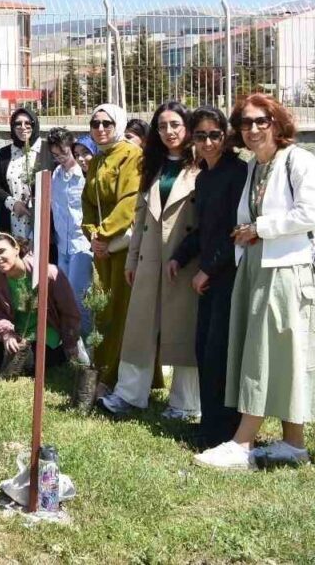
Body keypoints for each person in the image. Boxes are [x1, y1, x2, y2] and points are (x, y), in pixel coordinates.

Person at [196, 94, 315, 470]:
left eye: (261, 121)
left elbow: (308, 213)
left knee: (267, 351)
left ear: (277, 122)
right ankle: (293, 443)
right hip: (255, 265)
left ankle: (243, 442)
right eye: (245, 123)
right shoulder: (252, 168)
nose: (253, 129)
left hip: (284, 267)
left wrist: (260, 228)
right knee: (276, 352)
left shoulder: (299, 161)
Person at [102, 102, 202, 420]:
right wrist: (132, 260)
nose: (169, 131)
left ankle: (185, 403)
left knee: (183, 328)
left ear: (187, 127)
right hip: (148, 258)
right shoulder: (153, 165)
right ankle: (130, 394)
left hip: (185, 259)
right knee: (139, 327)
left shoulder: (202, 166)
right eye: (161, 126)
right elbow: (140, 216)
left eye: (175, 124)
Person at [173, 107, 247, 450]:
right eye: (200, 135)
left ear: (226, 136)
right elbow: (204, 229)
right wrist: (181, 256)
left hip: (230, 274)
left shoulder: (238, 172)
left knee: (220, 353)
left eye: (214, 135)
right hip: (210, 274)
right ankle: (210, 425)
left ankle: (224, 433)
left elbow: (234, 231)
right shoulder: (203, 177)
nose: (207, 142)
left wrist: (208, 269)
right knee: (205, 349)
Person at [81, 103, 143, 388]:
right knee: (103, 310)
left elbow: (129, 200)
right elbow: (87, 202)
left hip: (123, 246)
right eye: (95, 124)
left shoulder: (131, 155)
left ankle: (116, 376)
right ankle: (101, 370)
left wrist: (104, 235)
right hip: (101, 248)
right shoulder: (97, 159)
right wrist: (92, 233)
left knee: (120, 310)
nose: (101, 129)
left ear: (118, 123)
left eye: (107, 123)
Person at [0, 233, 84, 379]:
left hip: (45, 328)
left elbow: (69, 311)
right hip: (15, 327)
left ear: (16, 249)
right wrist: (7, 334)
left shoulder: (48, 273)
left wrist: (70, 342)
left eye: (1, 251)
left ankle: (58, 354)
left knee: (27, 366)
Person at [47, 127, 94, 336]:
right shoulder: (56, 174)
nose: (61, 159)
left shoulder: (84, 175)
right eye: (56, 155)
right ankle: (70, 342)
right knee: (63, 295)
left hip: (82, 244)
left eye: (64, 153)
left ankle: (85, 344)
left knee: (78, 295)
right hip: (62, 244)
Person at [0, 107, 45, 240]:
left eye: (28, 123)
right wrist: (12, 203)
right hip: (11, 220)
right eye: (17, 123)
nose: (23, 127)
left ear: (35, 124)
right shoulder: (4, 154)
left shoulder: (47, 151)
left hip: (42, 221)